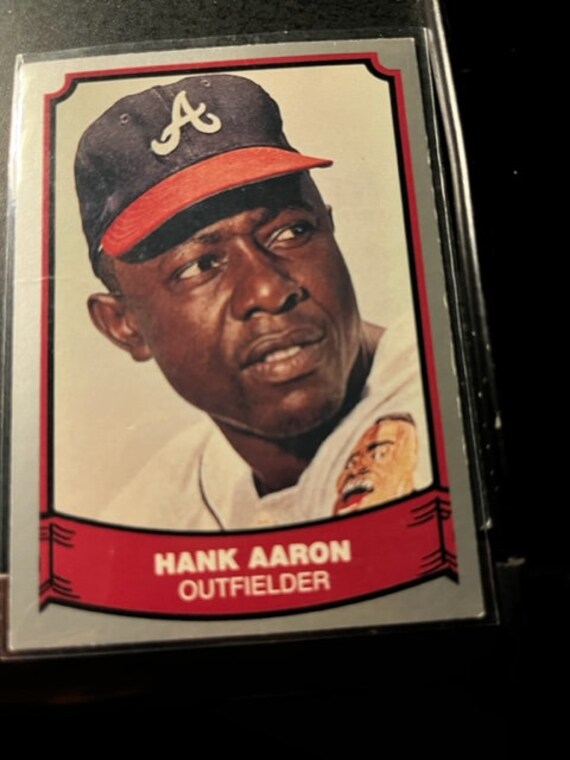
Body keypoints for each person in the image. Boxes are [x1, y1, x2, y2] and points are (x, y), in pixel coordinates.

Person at [74, 72, 431, 530]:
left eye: (291, 232)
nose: (268, 290)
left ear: (329, 227)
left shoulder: (446, 395)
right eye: (199, 265)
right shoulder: (150, 515)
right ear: (123, 325)